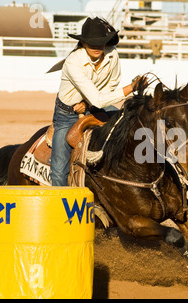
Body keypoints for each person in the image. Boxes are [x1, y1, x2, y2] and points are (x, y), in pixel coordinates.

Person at [49, 17, 142, 186]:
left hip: (93, 105)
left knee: (125, 125)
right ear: (83, 43)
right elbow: (101, 99)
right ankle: (60, 203)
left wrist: (88, 105)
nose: (96, 47)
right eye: (91, 43)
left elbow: (111, 84)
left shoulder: (112, 54)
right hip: (67, 114)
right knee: (58, 168)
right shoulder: (73, 62)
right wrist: (131, 88)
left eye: (100, 42)